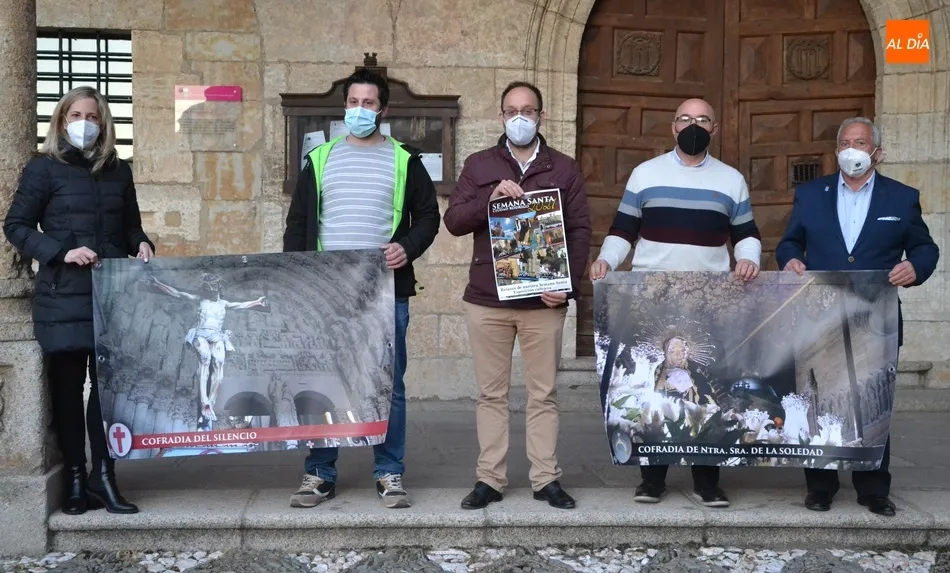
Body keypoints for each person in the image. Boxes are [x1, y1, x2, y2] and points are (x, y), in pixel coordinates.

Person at [589, 98, 762, 508]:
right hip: (655, 294)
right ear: (673, 127)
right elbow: (623, 229)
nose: (694, 125)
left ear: (714, 129)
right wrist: (605, 259)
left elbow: (747, 232)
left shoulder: (732, 180)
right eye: (686, 119)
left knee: (706, 389)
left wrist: (749, 259)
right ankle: (652, 479)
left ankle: (708, 482)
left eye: (703, 119)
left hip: (709, 296)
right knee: (657, 389)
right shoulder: (645, 174)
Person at [283, 68, 440, 510]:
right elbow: (297, 226)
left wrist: (407, 248)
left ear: (383, 110)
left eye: (369, 103)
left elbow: (429, 216)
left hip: (385, 292)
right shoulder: (319, 159)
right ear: (344, 106)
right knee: (322, 379)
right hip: (326, 293)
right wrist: (295, 282)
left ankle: (389, 472)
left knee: (389, 385)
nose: (359, 110)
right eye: (353, 102)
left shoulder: (405, 161)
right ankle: (320, 473)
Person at [775, 116, 939, 517]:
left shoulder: (901, 198)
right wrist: (791, 259)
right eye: (845, 141)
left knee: (873, 403)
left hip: (875, 318)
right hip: (819, 315)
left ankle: (873, 489)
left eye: (861, 142)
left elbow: (925, 249)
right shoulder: (811, 195)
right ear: (836, 151)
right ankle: (820, 487)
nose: (853, 149)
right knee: (820, 399)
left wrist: (915, 268)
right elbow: (789, 242)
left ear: (876, 152)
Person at [3, 86, 154, 516]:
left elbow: (131, 228)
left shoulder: (118, 171)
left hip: (111, 296)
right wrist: (61, 251)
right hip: (62, 296)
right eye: (74, 114)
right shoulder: (43, 169)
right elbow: (16, 225)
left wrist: (142, 243)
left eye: (91, 115)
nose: (83, 122)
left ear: (104, 123)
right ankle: (73, 477)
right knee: (67, 390)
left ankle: (103, 476)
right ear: (61, 121)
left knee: (106, 393)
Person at [444, 81, 592, 511]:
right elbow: (453, 220)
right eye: (512, 111)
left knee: (543, 394)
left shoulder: (563, 168)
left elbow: (580, 230)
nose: (520, 118)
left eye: (528, 110)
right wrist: (489, 198)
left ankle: (546, 478)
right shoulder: (479, 164)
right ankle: (489, 479)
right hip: (486, 299)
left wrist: (566, 287)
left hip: (542, 303)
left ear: (542, 117)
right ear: (500, 116)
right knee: (491, 394)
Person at [146, 273, 267, 429]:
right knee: (205, 358)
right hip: (201, 333)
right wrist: (156, 283)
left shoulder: (224, 303)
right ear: (206, 289)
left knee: (219, 363)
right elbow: (177, 293)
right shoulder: (200, 300)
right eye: (209, 288)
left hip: (217, 335)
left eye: (215, 287)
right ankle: (204, 400)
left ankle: (210, 402)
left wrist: (257, 302)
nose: (212, 291)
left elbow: (241, 305)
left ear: (218, 288)